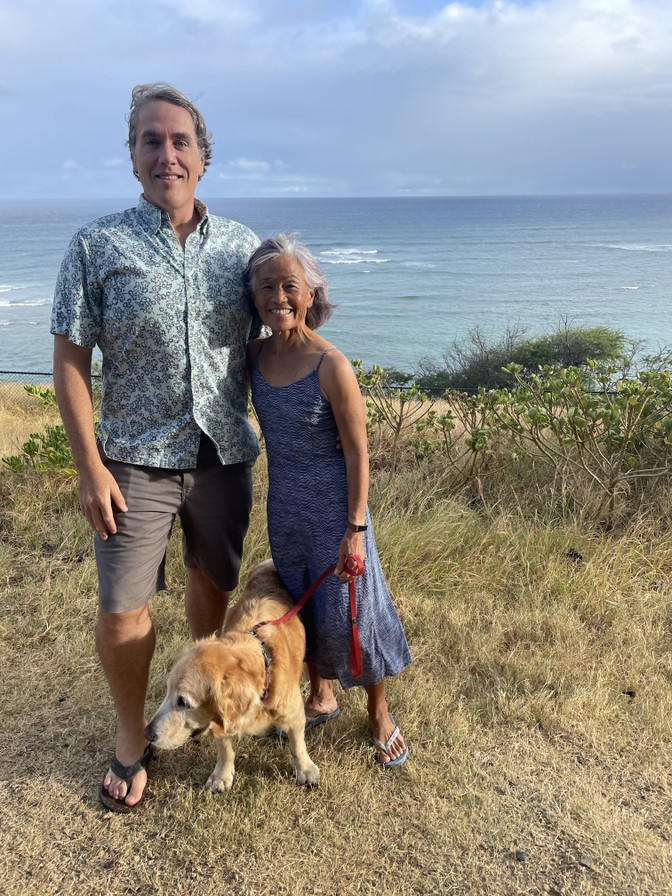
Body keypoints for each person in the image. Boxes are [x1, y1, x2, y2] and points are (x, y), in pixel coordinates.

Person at [51, 83, 261, 811]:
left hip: (223, 457)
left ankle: (199, 713)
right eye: (150, 140)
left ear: (203, 156)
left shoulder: (241, 248)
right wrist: (88, 468)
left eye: (180, 141)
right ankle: (130, 739)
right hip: (132, 462)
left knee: (213, 592)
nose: (166, 153)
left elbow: (279, 338)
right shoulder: (96, 245)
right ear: (133, 156)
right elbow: (71, 362)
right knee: (122, 611)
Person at [244, 234, 411, 769]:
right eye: (266, 286)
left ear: (311, 294)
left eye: (290, 285)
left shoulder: (331, 364)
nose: (279, 297)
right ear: (254, 297)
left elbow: (360, 451)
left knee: (355, 612)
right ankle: (321, 694)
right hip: (285, 505)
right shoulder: (253, 356)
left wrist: (355, 526)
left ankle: (379, 712)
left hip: (336, 509)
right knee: (305, 608)